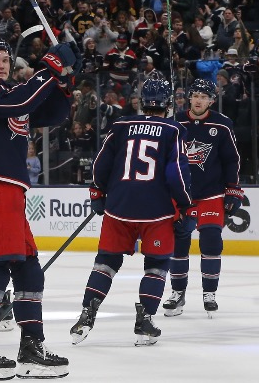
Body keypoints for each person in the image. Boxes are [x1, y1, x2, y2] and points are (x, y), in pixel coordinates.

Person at [0, 36, 75, 380]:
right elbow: (21, 99)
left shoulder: (10, 95)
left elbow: (52, 112)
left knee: (28, 268)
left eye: (5, 60)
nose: (1, 65)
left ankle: (31, 347)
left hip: (8, 189)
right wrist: (48, 69)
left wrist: (63, 84)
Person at [70, 78, 191, 347]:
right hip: (156, 210)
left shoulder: (121, 125)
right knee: (157, 266)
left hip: (119, 207)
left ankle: (87, 313)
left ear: (142, 100)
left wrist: (98, 192)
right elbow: (176, 173)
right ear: (168, 103)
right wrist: (185, 205)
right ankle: (145, 318)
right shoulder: (173, 129)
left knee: (105, 263)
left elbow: (101, 163)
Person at [162, 79, 241, 318]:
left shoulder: (223, 124)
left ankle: (209, 293)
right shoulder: (175, 122)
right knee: (178, 244)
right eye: (195, 95)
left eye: (203, 96)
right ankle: (177, 293)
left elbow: (231, 160)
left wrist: (233, 189)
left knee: (211, 242)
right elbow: (163, 158)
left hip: (211, 194)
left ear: (211, 100)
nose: (198, 100)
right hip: (181, 195)